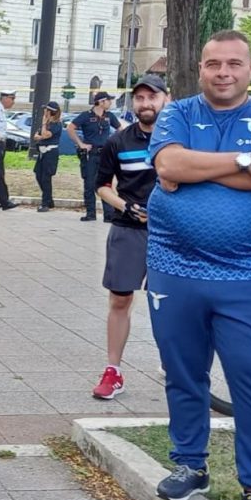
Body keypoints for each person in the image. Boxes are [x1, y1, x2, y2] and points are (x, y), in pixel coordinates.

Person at [146, 30, 251, 500]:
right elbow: (167, 164)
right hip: (174, 268)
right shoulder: (178, 113)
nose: (223, 72)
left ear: (250, 69)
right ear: (200, 68)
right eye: (213, 64)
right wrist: (245, 159)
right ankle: (191, 464)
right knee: (183, 373)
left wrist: (197, 168)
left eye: (234, 63)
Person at [90, 75, 167, 399]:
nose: (146, 104)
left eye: (152, 97)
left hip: (172, 235)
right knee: (120, 299)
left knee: (171, 303)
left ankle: (176, 365)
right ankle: (114, 371)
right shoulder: (118, 142)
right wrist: (126, 206)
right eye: (140, 98)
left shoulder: (181, 139)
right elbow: (102, 185)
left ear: (166, 99)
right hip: (129, 230)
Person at [66, 90, 121, 222]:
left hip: (105, 154)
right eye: (108, 100)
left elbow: (121, 130)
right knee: (90, 184)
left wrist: (113, 143)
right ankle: (90, 213)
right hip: (91, 154)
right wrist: (81, 143)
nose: (110, 103)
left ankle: (108, 214)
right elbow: (70, 128)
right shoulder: (86, 116)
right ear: (101, 102)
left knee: (105, 184)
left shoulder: (109, 116)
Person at [32, 101, 62, 212]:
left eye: (46, 110)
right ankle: (49, 199)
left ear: (50, 112)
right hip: (42, 153)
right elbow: (36, 136)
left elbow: (44, 135)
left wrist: (44, 125)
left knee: (46, 178)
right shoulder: (47, 124)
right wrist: (42, 135)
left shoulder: (56, 124)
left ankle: (45, 203)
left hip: (50, 153)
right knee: (38, 174)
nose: (44, 111)